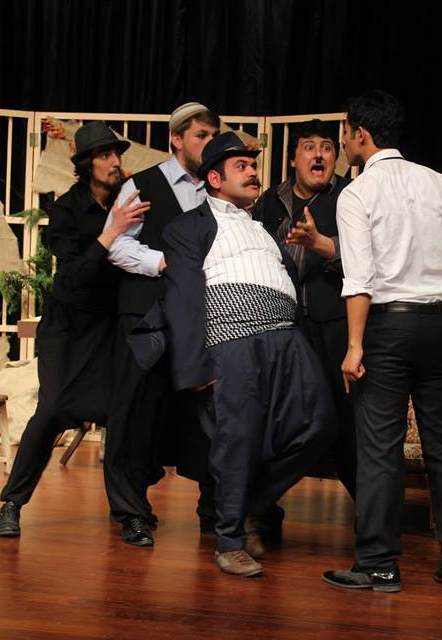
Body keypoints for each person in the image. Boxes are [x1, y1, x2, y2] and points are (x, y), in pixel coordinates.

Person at [322, 90, 442, 593]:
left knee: (380, 447)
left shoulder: (357, 193)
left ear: (360, 134)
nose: (343, 142)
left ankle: (378, 564)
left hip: (388, 328)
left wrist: (355, 346)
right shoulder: (439, 182)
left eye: (345, 132)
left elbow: (358, 278)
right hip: (440, 325)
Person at [162, 132, 335, 577]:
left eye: (254, 166)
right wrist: (194, 365)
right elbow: (182, 295)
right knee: (237, 439)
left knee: (320, 424)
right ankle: (230, 541)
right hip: (232, 339)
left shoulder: (261, 228)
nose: (254, 172)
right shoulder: (187, 227)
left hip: (286, 339)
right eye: (242, 166)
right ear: (214, 179)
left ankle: (253, 504)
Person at [0, 122, 150, 537]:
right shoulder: (66, 209)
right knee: (51, 410)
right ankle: (12, 502)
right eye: (105, 155)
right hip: (67, 327)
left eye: (116, 154)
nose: (114, 162)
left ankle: (130, 513)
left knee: (122, 416)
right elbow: (71, 278)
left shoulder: (130, 199)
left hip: (109, 327)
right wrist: (111, 232)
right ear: (86, 165)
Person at [102, 103, 221, 546]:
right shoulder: (142, 184)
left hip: (199, 317)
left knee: (205, 413)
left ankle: (213, 512)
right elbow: (117, 245)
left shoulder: (217, 189)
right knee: (136, 412)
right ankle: (131, 511)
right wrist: (164, 262)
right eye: (201, 136)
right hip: (146, 316)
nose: (208, 144)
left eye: (213, 136)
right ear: (176, 138)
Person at [253, 119, 356, 500]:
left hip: (337, 326)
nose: (319, 155)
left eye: (327, 147)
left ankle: (371, 520)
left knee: (344, 424)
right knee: (278, 420)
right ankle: (262, 510)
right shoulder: (270, 201)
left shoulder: (350, 197)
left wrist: (322, 244)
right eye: (309, 147)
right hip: (284, 328)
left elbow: (371, 258)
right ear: (293, 158)